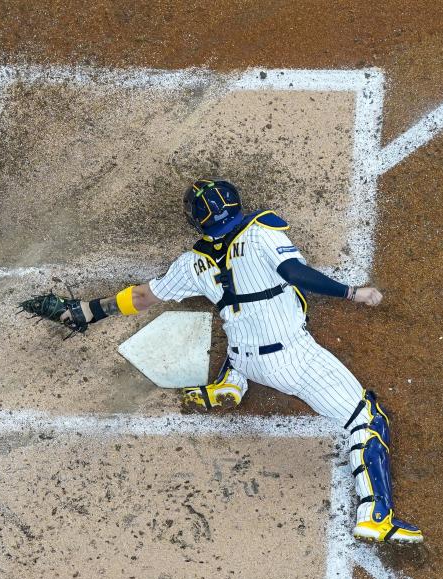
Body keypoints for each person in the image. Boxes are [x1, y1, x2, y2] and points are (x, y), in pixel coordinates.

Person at [22, 178, 422, 543]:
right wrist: (353, 292)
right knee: (367, 419)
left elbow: (142, 297)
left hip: (243, 357)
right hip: (290, 360)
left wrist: (86, 312)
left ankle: (229, 383)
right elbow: (296, 272)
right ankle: (375, 516)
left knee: (243, 316)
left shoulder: (191, 264)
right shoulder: (263, 233)